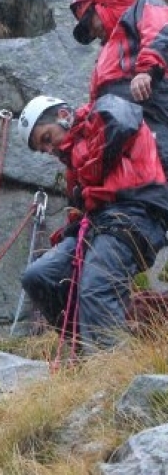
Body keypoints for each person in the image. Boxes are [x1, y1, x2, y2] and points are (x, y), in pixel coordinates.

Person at [17, 94, 168, 351]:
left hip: (136, 213)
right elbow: (84, 205)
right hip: (101, 224)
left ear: (63, 116)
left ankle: (112, 367)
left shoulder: (106, 108)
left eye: (47, 139)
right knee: (39, 276)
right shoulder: (74, 164)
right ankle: (84, 350)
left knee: (96, 288)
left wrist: (89, 175)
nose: (51, 150)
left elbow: (122, 124)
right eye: (45, 150)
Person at [70, 0, 168, 171]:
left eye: (89, 22)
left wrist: (146, 71)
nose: (93, 32)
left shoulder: (143, 7)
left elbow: (159, 32)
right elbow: (95, 105)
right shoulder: (103, 58)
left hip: (156, 113)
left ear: (104, 3)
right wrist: (70, 123)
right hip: (129, 137)